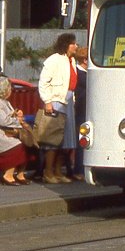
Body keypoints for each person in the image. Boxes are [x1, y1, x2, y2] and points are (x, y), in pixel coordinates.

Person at [38, 32, 78, 184]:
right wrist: (47, 101)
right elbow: (43, 82)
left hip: (68, 101)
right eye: (73, 43)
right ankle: (48, 172)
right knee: (53, 139)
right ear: (66, 45)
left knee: (66, 140)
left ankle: (58, 171)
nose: (76, 46)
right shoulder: (54, 60)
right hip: (56, 101)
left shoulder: (71, 61)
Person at [0, 76, 30, 185]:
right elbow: (3, 121)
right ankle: (8, 175)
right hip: (2, 134)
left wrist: (17, 114)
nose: (11, 91)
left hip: (9, 132)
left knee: (29, 145)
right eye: (10, 88)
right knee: (17, 146)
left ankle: (20, 174)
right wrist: (18, 120)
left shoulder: (6, 102)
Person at [69, 46, 88, 181]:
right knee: (82, 140)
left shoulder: (83, 73)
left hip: (83, 110)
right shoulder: (81, 74)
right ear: (85, 60)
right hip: (81, 110)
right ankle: (79, 170)